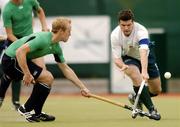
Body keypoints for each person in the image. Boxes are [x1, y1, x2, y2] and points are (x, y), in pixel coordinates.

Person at [0, 17, 90, 122]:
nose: (70, 34)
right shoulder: (43, 39)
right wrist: (27, 74)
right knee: (47, 77)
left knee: (48, 79)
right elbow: (20, 52)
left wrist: (83, 88)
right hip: (10, 60)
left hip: (20, 59)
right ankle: (25, 108)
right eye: (69, 31)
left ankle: (37, 113)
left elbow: (66, 69)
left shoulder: (56, 48)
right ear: (61, 31)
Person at [110, 9, 161, 120]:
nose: (126, 28)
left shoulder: (141, 30)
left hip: (146, 56)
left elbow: (143, 52)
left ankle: (135, 97)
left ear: (133, 22)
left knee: (156, 90)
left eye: (129, 25)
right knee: (134, 74)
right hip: (129, 58)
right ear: (119, 23)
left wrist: (144, 71)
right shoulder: (115, 35)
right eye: (123, 25)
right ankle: (152, 109)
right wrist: (122, 66)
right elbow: (117, 58)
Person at [0, 0, 49, 110]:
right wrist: (22, 44)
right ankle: (1, 96)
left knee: (43, 75)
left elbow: (40, 10)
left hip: (30, 41)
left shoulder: (30, 1)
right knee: (11, 73)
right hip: (15, 43)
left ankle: (35, 109)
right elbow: (9, 34)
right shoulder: (7, 9)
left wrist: (44, 27)